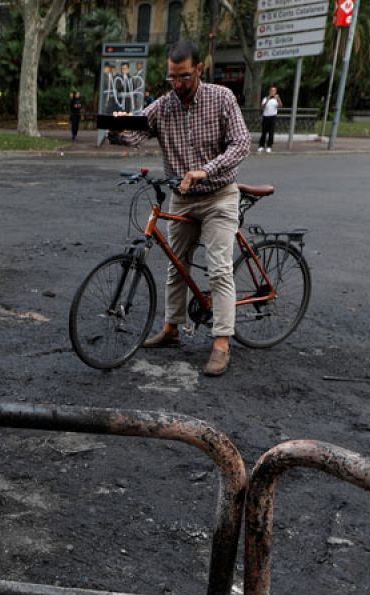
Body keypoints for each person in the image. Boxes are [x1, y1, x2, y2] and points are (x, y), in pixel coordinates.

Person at [109, 40, 251, 378]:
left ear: (199, 69)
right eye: (172, 77)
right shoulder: (163, 106)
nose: (177, 84)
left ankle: (222, 342)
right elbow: (135, 135)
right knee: (176, 265)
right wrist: (118, 129)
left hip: (218, 195)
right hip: (183, 197)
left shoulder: (221, 98)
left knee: (219, 269)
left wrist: (205, 170)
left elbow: (241, 143)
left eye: (184, 76)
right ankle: (172, 328)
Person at [259, 85, 279, 153]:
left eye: (274, 91)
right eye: (272, 90)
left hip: (273, 117)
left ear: (275, 92)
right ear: (269, 91)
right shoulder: (265, 98)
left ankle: (269, 146)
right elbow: (262, 106)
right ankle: (261, 146)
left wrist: (278, 99)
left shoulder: (276, 99)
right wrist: (268, 99)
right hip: (266, 117)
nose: (273, 92)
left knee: (271, 132)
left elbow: (280, 105)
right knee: (264, 132)